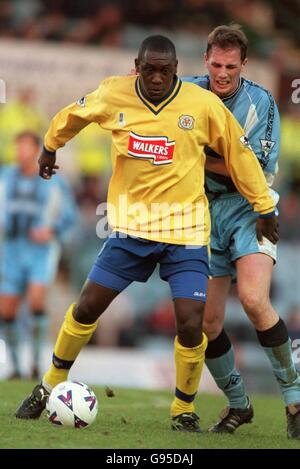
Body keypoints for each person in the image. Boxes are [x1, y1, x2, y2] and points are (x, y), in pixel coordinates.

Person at [15, 35, 278, 432]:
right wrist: (50, 147)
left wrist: (264, 206)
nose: (157, 78)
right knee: (87, 306)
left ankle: (182, 409)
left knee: (191, 323)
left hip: (186, 231)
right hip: (130, 229)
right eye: (149, 70)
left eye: (165, 70)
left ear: (176, 69)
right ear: (137, 66)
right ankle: (47, 384)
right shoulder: (114, 93)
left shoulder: (201, 104)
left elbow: (240, 156)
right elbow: (74, 114)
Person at [183, 24, 300, 439]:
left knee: (253, 298)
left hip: (254, 208)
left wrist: (194, 155)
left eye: (231, 66)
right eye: (216, 63)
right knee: (206, 324)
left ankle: (294, 395)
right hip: (203, 212)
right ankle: (238, 404)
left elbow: (249, 169)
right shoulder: (188, 93)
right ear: (205, 60)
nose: (222, 72)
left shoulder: (262, 102)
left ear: (243, 65)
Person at [0, 131, 78, 379]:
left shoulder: (54, 180)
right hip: (11, 249)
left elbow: (70, 215)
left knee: (35, 302)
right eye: (17, 147)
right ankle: (14, 366)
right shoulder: (6, 176)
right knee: (7, 311)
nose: (20, 153)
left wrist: (51, 230)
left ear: (36, 151)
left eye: (25, 148)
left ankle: (34, 363)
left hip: (39, 252)